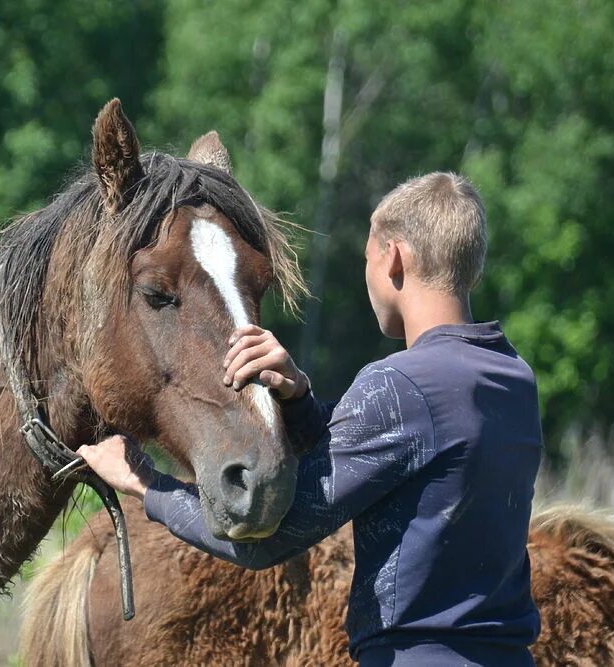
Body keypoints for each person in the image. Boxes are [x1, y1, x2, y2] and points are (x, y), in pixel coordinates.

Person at [78, 172, 543, 666]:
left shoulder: (399, 386)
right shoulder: (513, 377)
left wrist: (147, 485)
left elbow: (261, 542)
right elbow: (409, 464)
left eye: (367, 258)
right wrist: (298, 397)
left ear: (395, 258)